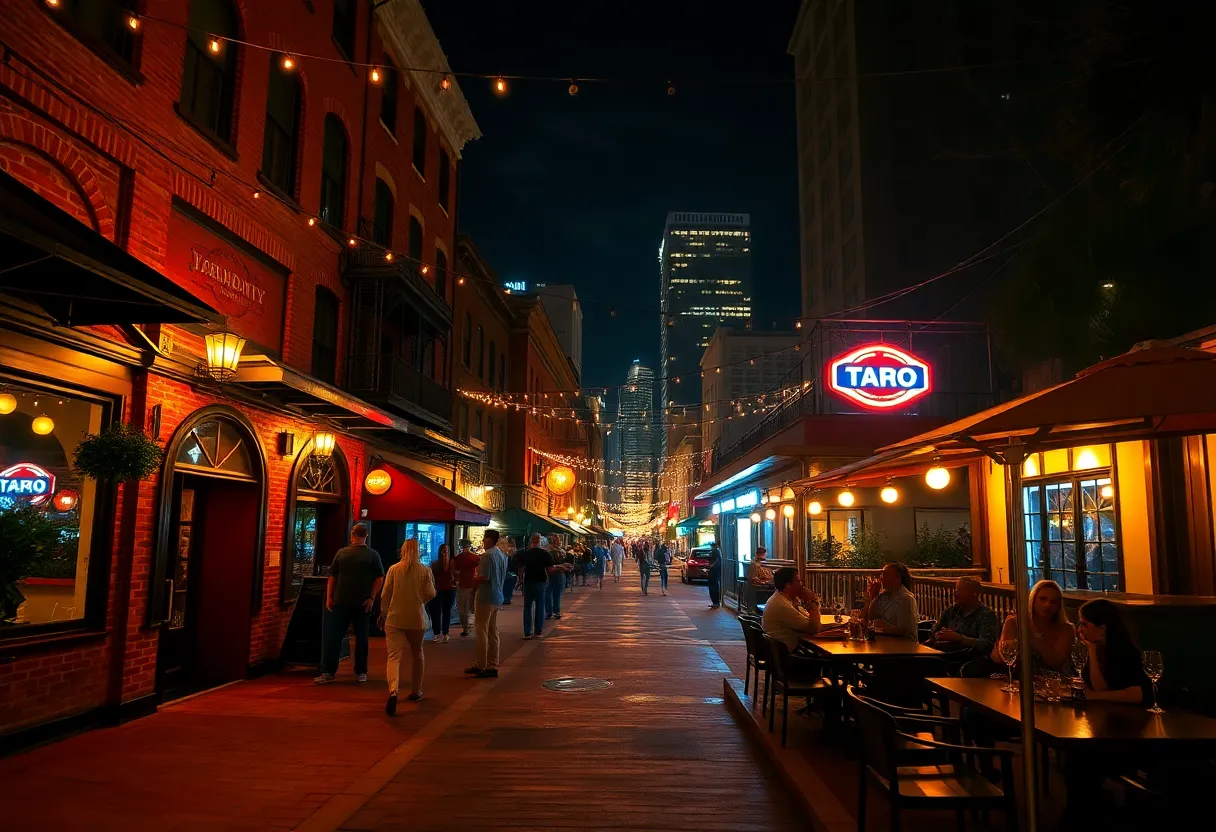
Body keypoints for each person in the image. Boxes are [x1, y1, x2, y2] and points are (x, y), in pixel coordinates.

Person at [316, 523, 384, 684]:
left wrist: (329, 597)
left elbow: (332, 576)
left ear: (352, 535)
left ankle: (328, 671)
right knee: (361, 638)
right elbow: (379, 577)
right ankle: (361, 671)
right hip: (363, 603)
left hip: (341, 600)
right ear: (366, 535)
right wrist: (372, 598)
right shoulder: (373, 555)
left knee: (334, 637)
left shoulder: (342, 553)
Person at [379, 538, 436, 712]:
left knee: (393, 656)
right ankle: (416, 690)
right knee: (417, 653)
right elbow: (431, 593)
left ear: (402, 551)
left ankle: (393, 691)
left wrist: (383, 613)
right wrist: (419, 601)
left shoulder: (393, 570)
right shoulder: (425, 570)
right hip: (416, 618)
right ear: (419, 551)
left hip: (395, 618)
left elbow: (385, 594)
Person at [1076, 598, 1152, 703]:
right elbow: (1098, 689)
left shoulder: (1125, 653)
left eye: (1084, 624)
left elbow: (1140, 693)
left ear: (1102, 628)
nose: (1079, 630)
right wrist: (1092, 649)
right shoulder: (1095, 648)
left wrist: (1089, 695)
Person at [991, 579, 1074, 673]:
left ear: (1058, 605)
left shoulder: (1066, 628)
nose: (1047, 605)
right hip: (1019, 679)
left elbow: (1056, 663)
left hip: (1056, 682)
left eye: (1053, 602)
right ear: (1033, 600)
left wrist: (1030, 633)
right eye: (1043, 599)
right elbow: (1005, 655)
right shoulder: (1014, 622)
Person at [466, 529, 508, 679]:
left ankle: (481, 664)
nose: (483, 540)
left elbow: (483, 577)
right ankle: (492, 664)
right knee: (492, 631)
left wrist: (472, 578)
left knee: (481, 630)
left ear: (489, 540)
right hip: (497, 596)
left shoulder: (487, 556)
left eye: (484, 538)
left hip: (485, 597)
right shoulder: (502, 555)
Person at [930, 576, 1001, 662]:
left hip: (970, 662)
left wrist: (959, 638)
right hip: (944, 657)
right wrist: (940, 635)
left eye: (960, 590)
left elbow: (987, 644)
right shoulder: (951, 611)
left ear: (974, 593)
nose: (956, 593)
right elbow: (933, 632)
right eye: (956, 590)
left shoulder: (986, 615)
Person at [761, 567, 823, 650]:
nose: (801, 584)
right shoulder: (782, 605)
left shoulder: (785, 598)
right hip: (788, 656)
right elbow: (814, 628)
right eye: (798, 581)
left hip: (780, 653)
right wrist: (813, 602)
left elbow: (809, 619)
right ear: (788, 585)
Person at [517, 534, 560, 639]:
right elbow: (550, 570)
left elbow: (521, 569)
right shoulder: (545, 554)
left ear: (531, 541)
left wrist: (520, 580)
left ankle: (527, 633)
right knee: (540, 607)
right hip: (541, 582)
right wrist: (560, 568)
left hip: (528, 583)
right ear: (540, 542)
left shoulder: (525, 554)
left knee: (527, 607)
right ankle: (538, 632)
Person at [865, 562, 919, 640]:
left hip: (904, 646)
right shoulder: (884, 595)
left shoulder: (906, 599)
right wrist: (873, 596)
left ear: (897, 578)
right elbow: (870, 617)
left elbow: (904, 630)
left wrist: (883, 625)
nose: (881, 578)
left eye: (885, 575)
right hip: (885, 642)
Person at [426, 543, 456, 644]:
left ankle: (445, 633)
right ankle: (437, 633)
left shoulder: (451, 564)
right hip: (438, 590)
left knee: (446, 612)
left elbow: (456, 575)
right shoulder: (435, 564)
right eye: (444, 550)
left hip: (449, 590)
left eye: (447, 550)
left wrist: (455, 582)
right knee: (436, 613)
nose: (445, 552)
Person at [453, 539, 480, 638]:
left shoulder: (457, 558)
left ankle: (465, 627)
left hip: (462, 585)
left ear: (461, 546)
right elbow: (479, 571)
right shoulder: (476, 558)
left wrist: (456, 578)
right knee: (470, 607)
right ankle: (469, 626)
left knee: (462, 608)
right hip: (472, 584)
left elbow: (454, 571)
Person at [744, 546, 774, 612]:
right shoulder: (754, 565)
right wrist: (766, 583)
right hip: (760, 590)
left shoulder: (764, 564)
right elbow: (754, 580)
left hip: (766, 587)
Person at [501, 538, 518, 605]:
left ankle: (506, 598)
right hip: (510, 570)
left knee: (508, 583)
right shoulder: (511, 550)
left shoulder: (508, 551)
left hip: (509, 570)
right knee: (509, 583)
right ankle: (507, 598)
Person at [706, 543, 722, 609]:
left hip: (713, 573)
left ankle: (716, 603)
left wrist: (711, 566)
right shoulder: (717, 552)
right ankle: (715, 603)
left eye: (712, 547)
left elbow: (711, 559)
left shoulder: (715, 552)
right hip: (714, 573)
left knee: (713, 587)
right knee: (713, 587)